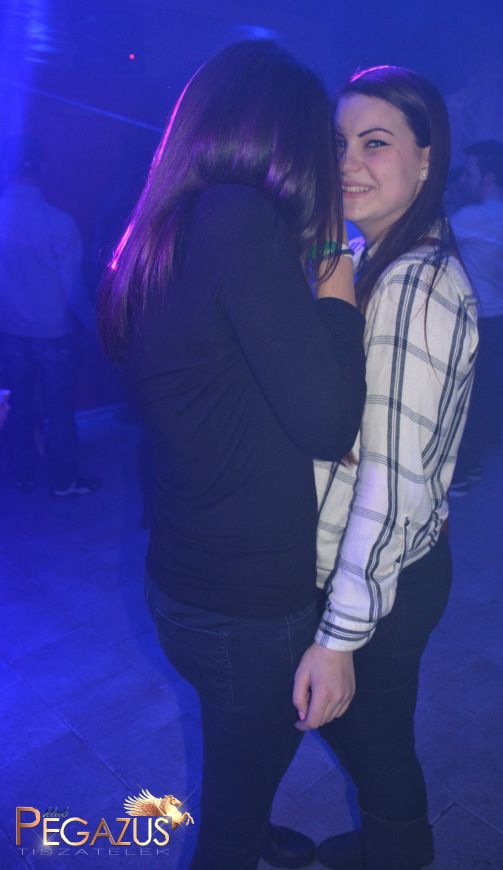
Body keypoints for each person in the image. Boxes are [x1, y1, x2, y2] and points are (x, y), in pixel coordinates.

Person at [98, 41, 366, 870]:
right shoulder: (237, 218)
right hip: (244, 606)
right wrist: (338, 288)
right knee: (230, 811)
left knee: (247, 756)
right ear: (282, 138)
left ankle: (249, 821)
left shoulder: (166, 230)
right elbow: (328, 423)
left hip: (188, 581)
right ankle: (240, 831)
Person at [309, 65, 479, 870]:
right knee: (375, 736)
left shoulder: (414, 284)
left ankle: (399, 852)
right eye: (338, 142)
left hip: (384, 576)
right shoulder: (381, 255)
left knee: (376, 746)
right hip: (399, 565)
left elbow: (389, 480)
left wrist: (338, 637)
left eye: (374, 143)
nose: (347, 162)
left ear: (426, 157)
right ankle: (391, 844)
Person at [0, 135, 99, 496]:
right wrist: (95, 326)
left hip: (10, 329)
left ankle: (24, 475)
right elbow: (73, 290)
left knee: (18, 406)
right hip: (54, 332)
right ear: (42, 167)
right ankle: (63, 481)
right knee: (59, 411)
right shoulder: (59, 223)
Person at [449, 141, 503, 494]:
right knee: (486, 387)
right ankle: (477, 462)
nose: (463, 179)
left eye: (469, 172)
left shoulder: (473, 217)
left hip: (475, 315)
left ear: (489, 176)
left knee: (463, 397)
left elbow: (423, 237)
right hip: (501, 311)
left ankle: (462, 472)